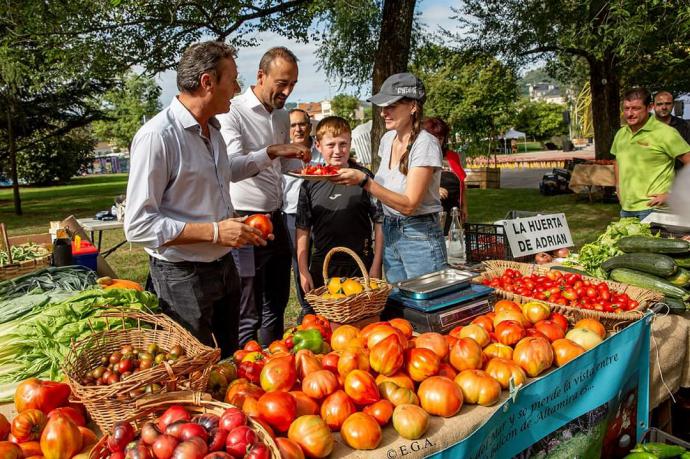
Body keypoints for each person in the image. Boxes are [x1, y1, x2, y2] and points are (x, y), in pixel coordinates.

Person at [124, 41, 270, 357]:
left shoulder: (213, 131)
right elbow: (137, 225)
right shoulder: (157, 136)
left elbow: (219, 173)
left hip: (223, 266)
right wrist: (215, 231)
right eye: (232, 79)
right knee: (194, 369)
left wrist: (268, 154)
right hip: (182, 277)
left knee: (232, 359)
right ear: (208, 82)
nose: (236, 87)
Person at [217, 47, 310, 345]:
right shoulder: (233, 111)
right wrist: (272, 151)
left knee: (276, 303)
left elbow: (284, 165)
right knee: (248, 308)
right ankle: (245, 370)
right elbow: (231, 168)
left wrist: (310, 166)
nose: (287, 91)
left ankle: (273, 364)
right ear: (261, 76)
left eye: (292, 84)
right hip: (245, 221)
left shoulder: (282, 117)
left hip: (277, 218)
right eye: (282, 83)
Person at [332, 73, 447, 283]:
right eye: (382, 107)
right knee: (400, 306)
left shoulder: (425, 144)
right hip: (390, 230)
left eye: (391, 106)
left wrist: (365, 182)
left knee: (426, 307)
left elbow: (410, 205)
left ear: (413, 106)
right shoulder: (387, 139)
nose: (383, 112)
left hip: (418, 234)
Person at [296, 116, 383, 295]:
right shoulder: (310, 181)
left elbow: (379, 222)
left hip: (360, 263)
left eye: (343, 144)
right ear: (318, 146)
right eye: (331, 145)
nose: (338, 151)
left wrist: (376, 265)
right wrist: (303, 270)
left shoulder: (364, 177)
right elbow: (303, 229)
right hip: (324, 264)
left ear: (350, 143)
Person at [612, 87, 690, 220]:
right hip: (626, 209)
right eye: (626, 108)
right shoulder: (621, 134)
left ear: (649, 107)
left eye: (636, 108)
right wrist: (618, 188)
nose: (630, 113)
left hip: (653, 210)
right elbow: (617, 161)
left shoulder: (666, 133)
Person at [283, 108, 322, 320]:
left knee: (321, 257)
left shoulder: (320, 150)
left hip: (320, 213)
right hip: (292, 215)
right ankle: (307, 309)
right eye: (293, 125)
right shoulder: (283, 154)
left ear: (309, 126)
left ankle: (326, 302)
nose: (298, 129)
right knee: (300, 263)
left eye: (302, 124)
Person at [423, 117, 468, 234]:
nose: (437, 141)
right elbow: (411, 183)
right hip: (432, 214)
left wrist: (464, 207)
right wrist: (434, 189)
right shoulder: (421, 157)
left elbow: (462, 183)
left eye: (441, 138)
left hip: (454, 212)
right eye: (434, 137)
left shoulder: (452, 156)